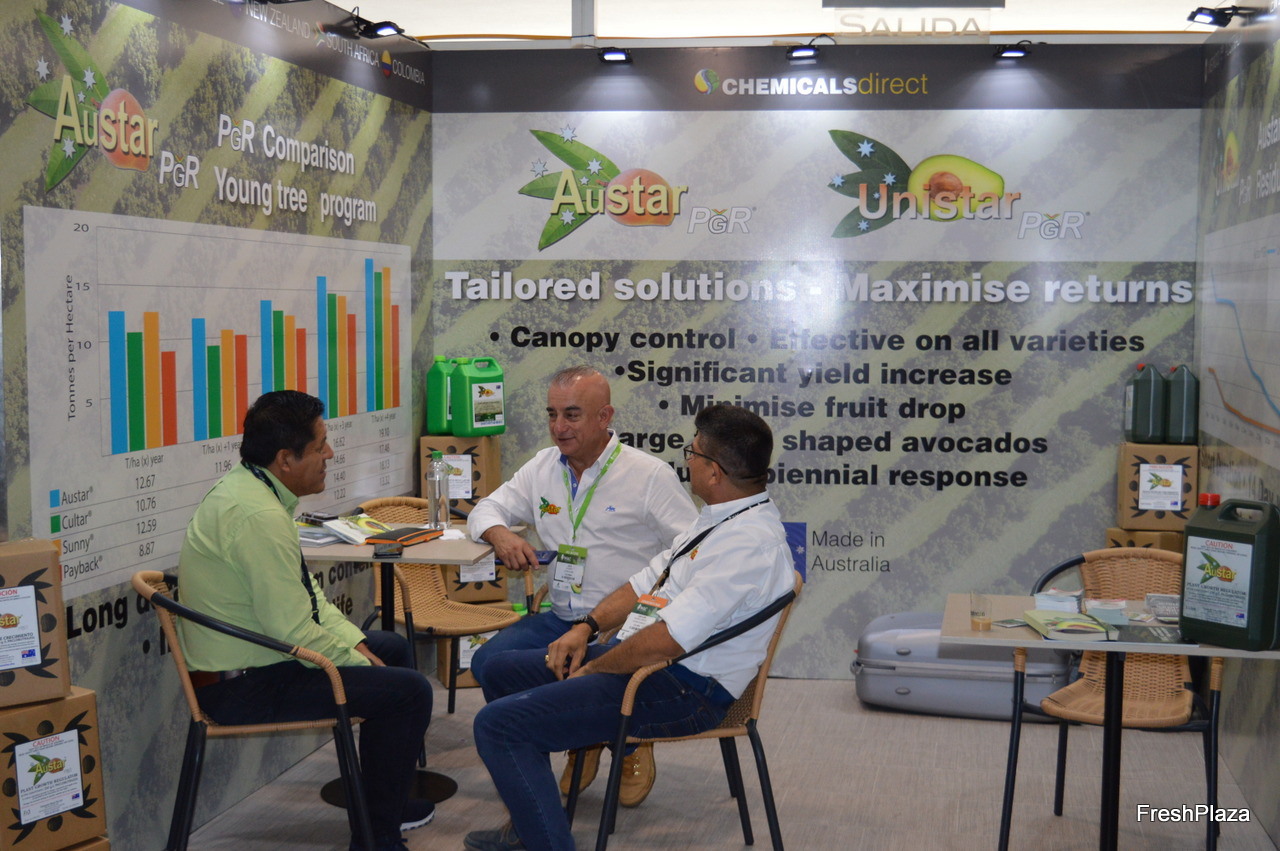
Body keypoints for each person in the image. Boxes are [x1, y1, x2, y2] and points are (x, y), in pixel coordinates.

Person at [465, 403, 796, 851]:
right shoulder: (721, 516)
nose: (687, 461)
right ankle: (536, 811)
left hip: (685, 690)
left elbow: (666, 641)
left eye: (693, 453)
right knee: (500, 669)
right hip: (658, 667)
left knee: (499, 726)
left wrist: (595, 669)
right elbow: (645, 582)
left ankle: (544, 838)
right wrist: (585, 627)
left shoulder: (748, 543)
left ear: (714, 472)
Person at [176, 391, 433, 851]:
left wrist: (354, 644)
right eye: (319, 446)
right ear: (285, 459)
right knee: (408, 692)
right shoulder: (257, 515)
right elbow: (291, 630)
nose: (329, 454)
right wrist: (356, 661)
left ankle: (383, 806)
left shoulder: (253, 489)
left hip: (257, 662)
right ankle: (376, 839)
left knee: (390, 649)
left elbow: (308, 597)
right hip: (242, 687)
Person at [467, 365, 697, 804]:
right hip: (561, 617)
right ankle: (571, 744)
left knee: (591, 667)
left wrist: (649, 612)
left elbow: (690, 552)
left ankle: (625, 744)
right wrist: (500, 534)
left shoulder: (648, 475)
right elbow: (486, 509)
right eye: (552, 414)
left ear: (604, 416)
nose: (559, 427)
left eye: (572, 415)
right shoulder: (542, 467)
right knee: (489, 664)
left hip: (625, 624)